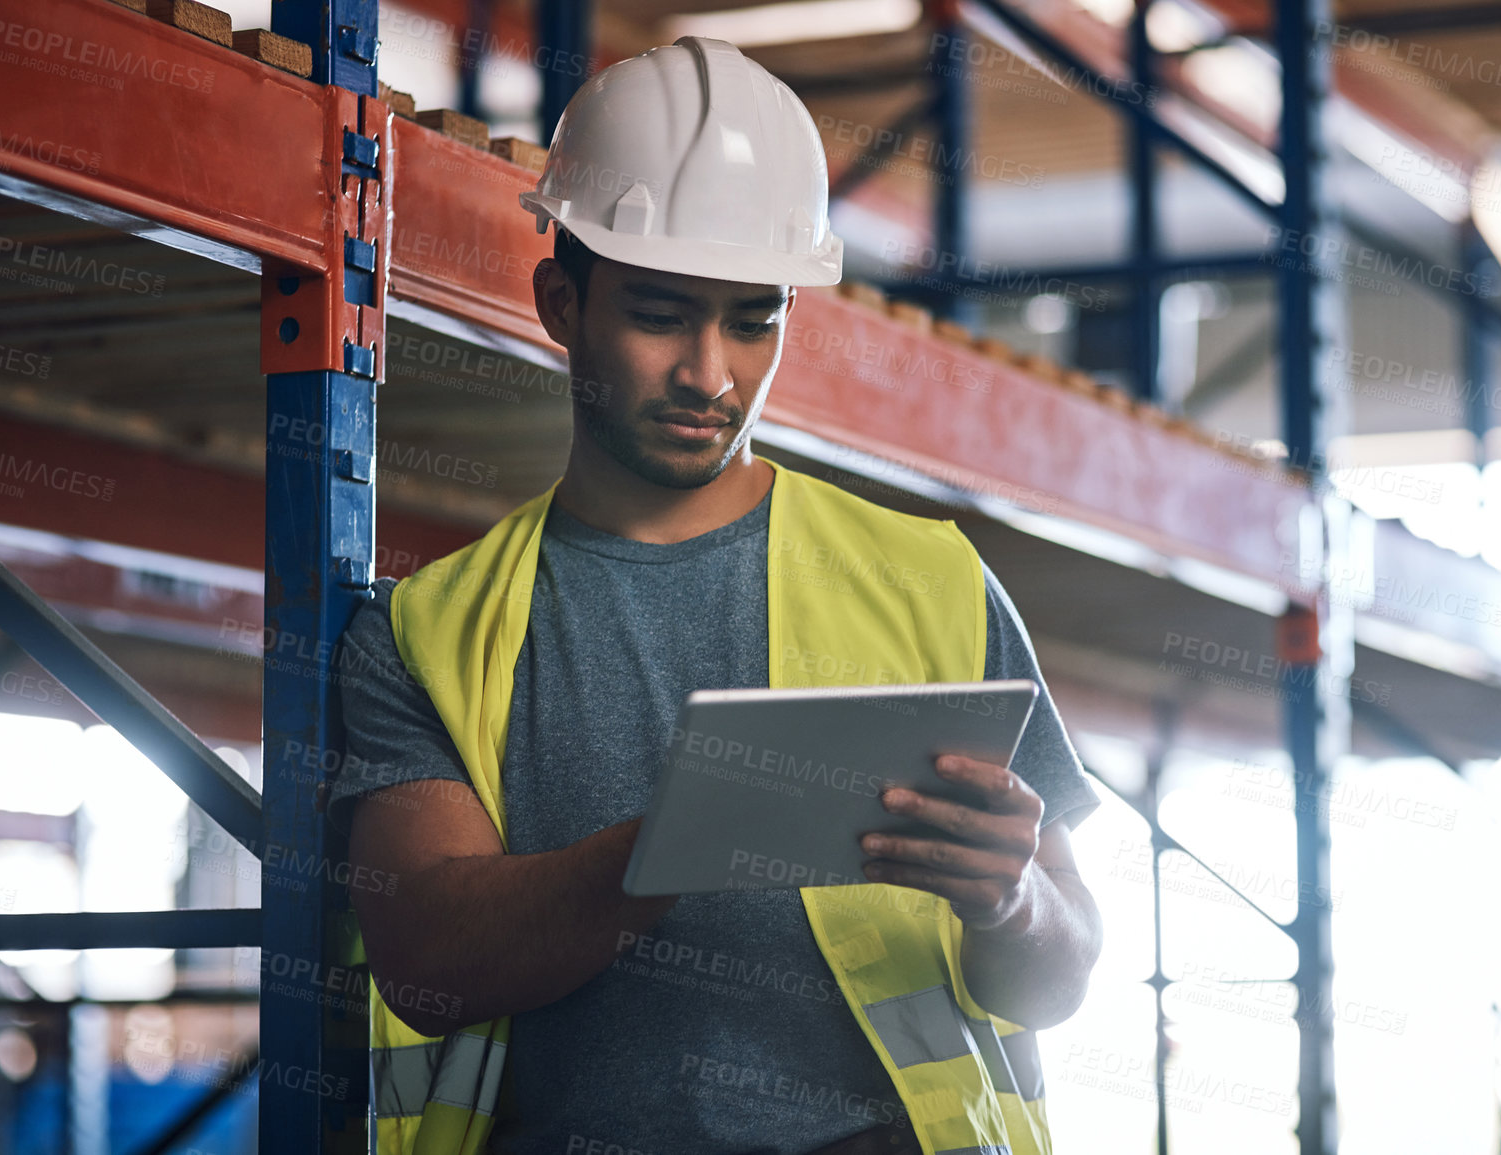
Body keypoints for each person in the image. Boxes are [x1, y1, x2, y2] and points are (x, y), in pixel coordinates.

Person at [331, 35, 1102, 1155]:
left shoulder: (931, 581)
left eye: (754, 319)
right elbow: (429, 966)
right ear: (562, 301)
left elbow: (1058, 977)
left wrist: (1011, 900)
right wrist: (683, 841)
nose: (711, 375)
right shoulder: (426, 631)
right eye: (659, 314)